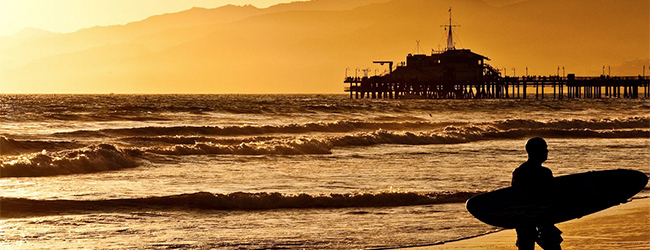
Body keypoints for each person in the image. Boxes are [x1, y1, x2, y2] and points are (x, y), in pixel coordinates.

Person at [511, 137, 563, 250]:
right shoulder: (544, 173)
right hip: (538, 217)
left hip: (527, 219)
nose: (547, 151)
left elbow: (514, 199)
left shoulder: (519, 172)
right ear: (535, 151)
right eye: (544, 148)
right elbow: (552, 196)